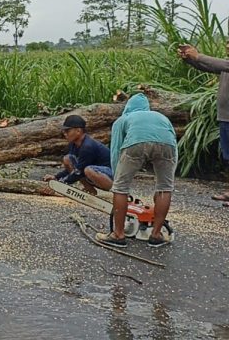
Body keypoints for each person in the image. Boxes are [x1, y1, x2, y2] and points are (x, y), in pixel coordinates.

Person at [96, 93, 177, 248]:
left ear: (128, 107)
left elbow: (116, 150)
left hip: (136, 142)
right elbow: (172, 143)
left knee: (121, 188)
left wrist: (116, 176)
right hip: (167, 145)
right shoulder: (161, 117)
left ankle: (118, 235)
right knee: (164, 188)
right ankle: (156, 234)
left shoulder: (123, 119)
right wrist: (170, 174)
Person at [178, 43, 229, 206]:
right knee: (228, 157)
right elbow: (210, 67)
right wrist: (190, 60)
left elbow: (220, 64)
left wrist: (198, 56)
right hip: (225, 117)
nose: (227, 46)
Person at [42, 115, 113, 194]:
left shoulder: (87, 146)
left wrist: (61, 184)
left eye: (67, 131)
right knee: (67, 159)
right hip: (91, 170)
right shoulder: (73, 145)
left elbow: (79, 171)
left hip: (110, 173)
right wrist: (56, 177)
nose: (65, 134)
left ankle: (118, 193)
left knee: (89, 170)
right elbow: (76, 168)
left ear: (78, 131)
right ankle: (90, 190)